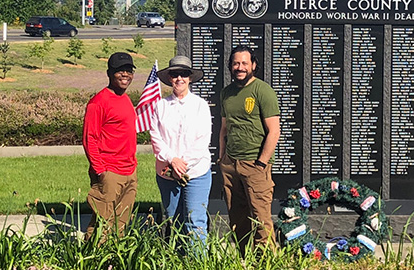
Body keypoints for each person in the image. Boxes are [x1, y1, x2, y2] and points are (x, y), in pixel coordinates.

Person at [218, 45, 280, 251]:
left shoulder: (263, 91)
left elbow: (274, 130)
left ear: (253, 65)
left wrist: (262, 162)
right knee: (237, 217)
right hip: (230, 164)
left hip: (255, 164)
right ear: (230, 66)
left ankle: (268, 260)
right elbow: (224, 128)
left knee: (261, 217)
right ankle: (245, 257)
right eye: (236, 63)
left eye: (245, 63)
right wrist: (222, 158)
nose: (240, 67)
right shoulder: (226, 93)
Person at [149, 56, 212, 247]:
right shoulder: (160, 106)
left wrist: (183, 164)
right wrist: (172, 160)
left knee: (195, 222)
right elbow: (156, 137)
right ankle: (177, 262)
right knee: (174, 222)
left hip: (196, 173)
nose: (179, 78)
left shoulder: (200, 105)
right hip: (167, 174)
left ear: (190, 78)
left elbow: (202, 140)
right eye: (175, 74)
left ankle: (197, 263)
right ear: (169, 78)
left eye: (183, 74)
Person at [82, 52, 138, 240]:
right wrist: (100, 171)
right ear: (109, 73)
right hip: (109, 173)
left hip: (129, 171)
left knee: (120, 225)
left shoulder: (125, 99)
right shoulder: (98, 102)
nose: (125, 75)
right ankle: (91, 262)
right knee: (101, 224)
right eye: (119, 71)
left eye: (129, 71)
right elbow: (90, 139)